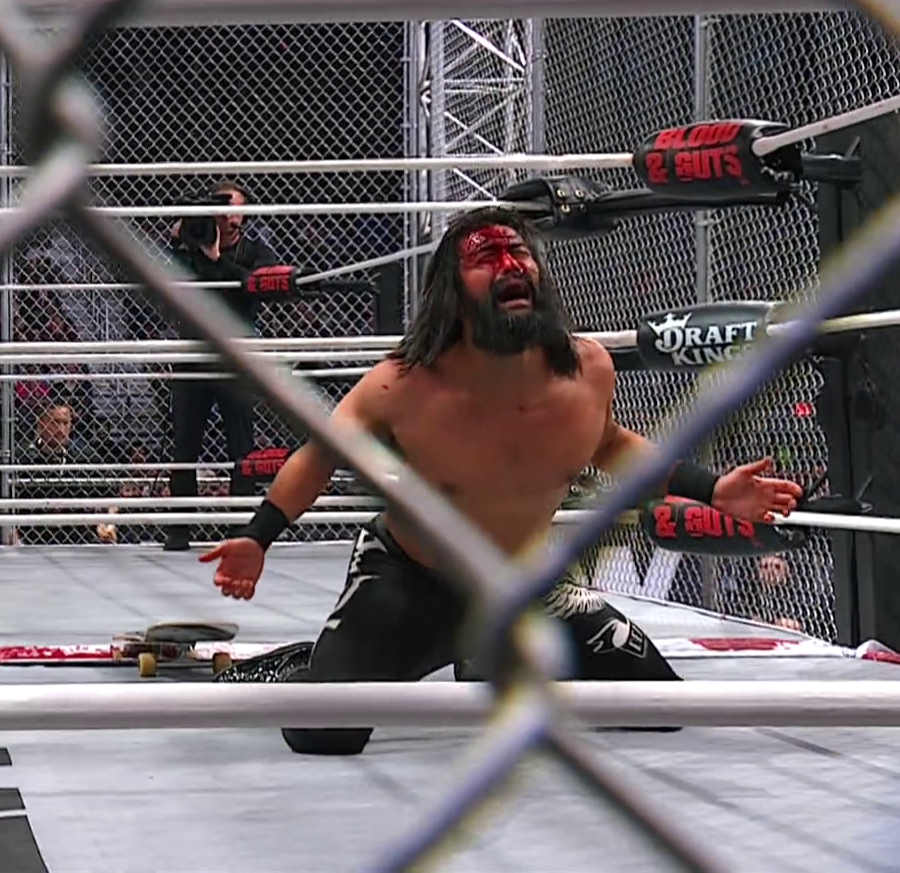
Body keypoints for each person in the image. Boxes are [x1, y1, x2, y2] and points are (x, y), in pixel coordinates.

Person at [202, 206, 803, 755]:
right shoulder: (403, 384)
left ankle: (481, 653)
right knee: (322, 731)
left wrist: (712, 490)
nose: (511, 266)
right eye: (486, 257)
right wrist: (258, 536)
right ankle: (302, 664)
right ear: (452, 290)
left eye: (519, 253)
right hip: (413, 579)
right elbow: (320, 456)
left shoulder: (586, 369)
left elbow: (611, 445)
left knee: (659, 706)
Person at [165, 181, 281, 551]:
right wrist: (175, 244)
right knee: (185, 444)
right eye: (223, 211)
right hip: (194, 354)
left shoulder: (254, 250)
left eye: (236, 211)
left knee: (242, 447)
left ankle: (241, 529)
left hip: (236, 357)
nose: (231, 218)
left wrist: (216, 259)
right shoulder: (190, 246)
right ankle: (179, 529)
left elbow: (252, 288)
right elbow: (161, 286)